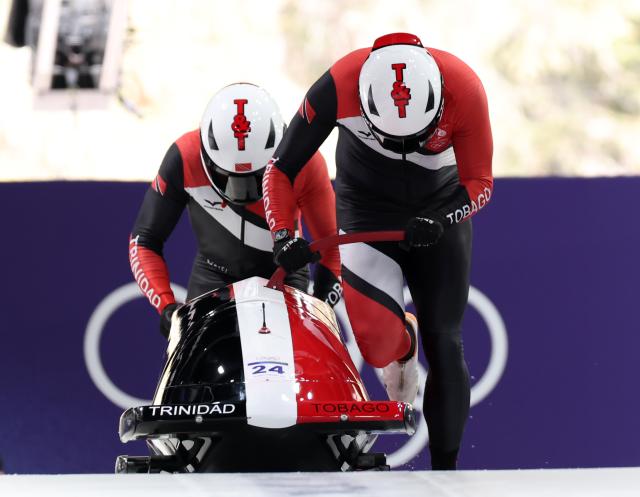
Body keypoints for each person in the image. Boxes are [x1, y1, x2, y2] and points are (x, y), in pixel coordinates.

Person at [262, 33, 493, 470]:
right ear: (366, 104)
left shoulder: (465, 86)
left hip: (437, 213)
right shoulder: (336, 84)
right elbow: (280, 168)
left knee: (445, 340)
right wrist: (282, 236)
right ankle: (401, 342)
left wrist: (442, 218)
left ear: (438, 104)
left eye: (418, 137)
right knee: (376, 347)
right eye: (391, 139)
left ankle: (447, 472)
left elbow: (480, 182)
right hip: (366, 214)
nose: (404, 146)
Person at [129, 83, 341, 338]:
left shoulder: (306, 161)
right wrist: (166, 306)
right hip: (214, 275)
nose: (244, 192)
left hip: (284, 274)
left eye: (258, 177)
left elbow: (334, 249)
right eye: (228, 178)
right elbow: (144, 241)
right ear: (206, 157)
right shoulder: (184, 157)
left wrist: (319, 308)